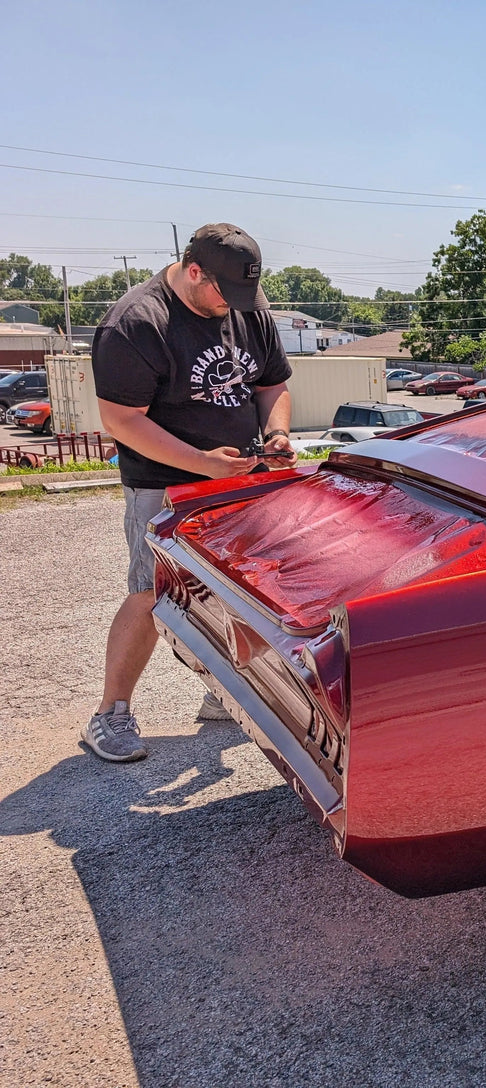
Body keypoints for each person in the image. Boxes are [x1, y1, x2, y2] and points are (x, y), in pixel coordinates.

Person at [82, 224, 296, 762]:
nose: (235, 306)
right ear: (193, 271)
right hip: (164, 485)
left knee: (240, 590)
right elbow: (122, 421)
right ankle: (109, 715)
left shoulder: (245, 308)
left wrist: (277, 434)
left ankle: (224, 694)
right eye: (225, 294)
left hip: (241, 478)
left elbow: (272, 385)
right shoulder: (136, 323)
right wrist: (202, 464)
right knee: (151, 593)